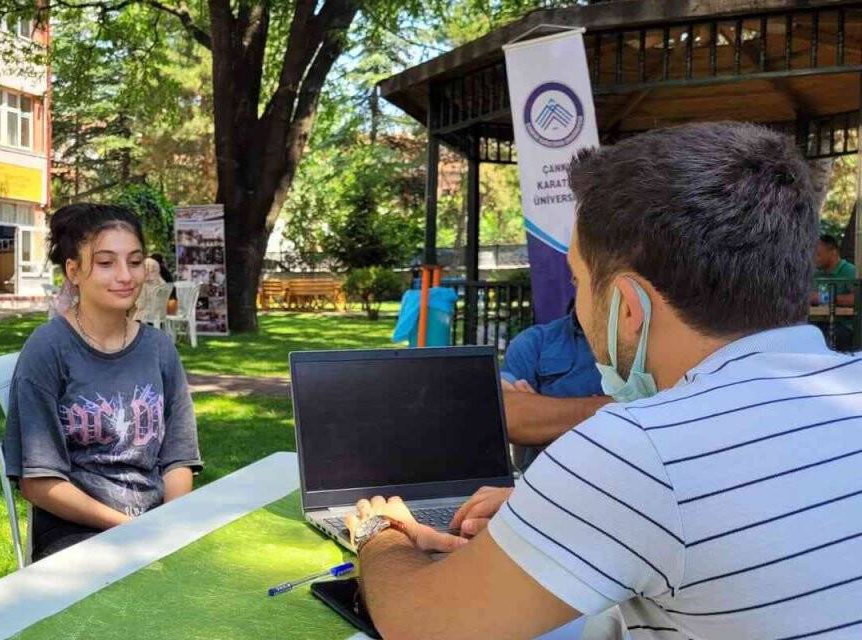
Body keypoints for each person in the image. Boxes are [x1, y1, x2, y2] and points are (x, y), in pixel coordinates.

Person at [346, 122, 861, 639]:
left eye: (577, 278)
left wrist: (380, 532)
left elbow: (420, 626)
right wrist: (566, 515)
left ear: (626, 308)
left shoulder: (639, 450)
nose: (576, 296)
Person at [4, 203, 202, 561]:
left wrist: (171, 526)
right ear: (74, 271)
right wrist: (130, 530)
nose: (125, 275)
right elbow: (38, 482)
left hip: (158, 520)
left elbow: (178, 459)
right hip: (77, 529)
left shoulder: (159, 349)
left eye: (136, 261)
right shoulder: (48, 349)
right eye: (107, 263)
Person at [500, 300, 610, 473]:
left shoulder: (655, 343)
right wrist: (622, 408)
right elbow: (508, 415)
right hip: (546, 485)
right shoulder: (536, 341)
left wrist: (547, 423)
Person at [810, 233, 856, 350]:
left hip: (844, 326)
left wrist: (822, 298)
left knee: (825, 338)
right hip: (817, 323)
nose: (814, 258)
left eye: (818, 254)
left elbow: (857, 298)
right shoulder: (816, 273)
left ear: (833, 252)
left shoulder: (850, 271)